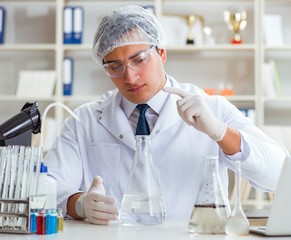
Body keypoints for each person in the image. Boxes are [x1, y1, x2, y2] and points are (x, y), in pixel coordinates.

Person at [44, 5, 288, 225]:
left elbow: (278, 175)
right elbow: (45, 186)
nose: (129, 77)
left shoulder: (213, 110)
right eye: (114, 67)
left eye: (139, 59)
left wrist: (221, 133)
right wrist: (78, 204)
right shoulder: (84, 120)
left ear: (161, 53)